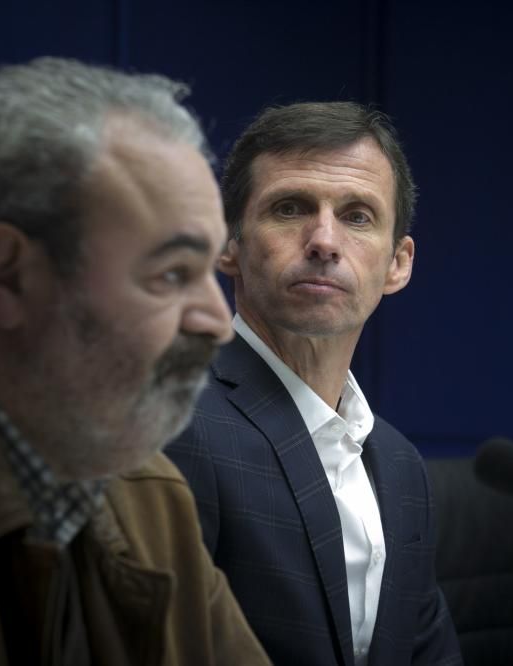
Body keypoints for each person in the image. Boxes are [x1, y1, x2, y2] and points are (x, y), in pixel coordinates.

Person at [0, 57, 270, 665]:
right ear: (7, 277)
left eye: (210, 271)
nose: (218, 325)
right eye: (172, 273)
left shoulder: (148, 493)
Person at [166, 101, 462, 666]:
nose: (324, 240)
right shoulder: (177, 422)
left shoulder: (401, 467)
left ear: (398, 263)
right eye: (290, 208)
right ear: (229, 244)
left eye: (357, 216)